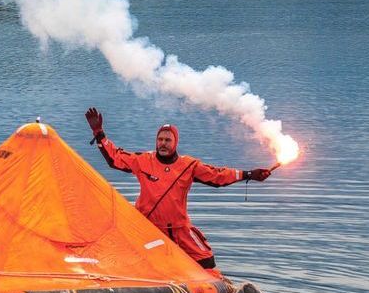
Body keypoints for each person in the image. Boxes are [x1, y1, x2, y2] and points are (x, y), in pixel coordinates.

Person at [84, 108, 271, 271]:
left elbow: (218, 175)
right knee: (127, 260)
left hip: (179, 229)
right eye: (160, 139)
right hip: (147, 227)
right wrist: (99, 134)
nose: (163, 143)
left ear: (175, 143)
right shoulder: (142, 161)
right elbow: (115, 158)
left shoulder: (188, 166)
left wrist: (249, 174)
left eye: (167, 140)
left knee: (207, 261)